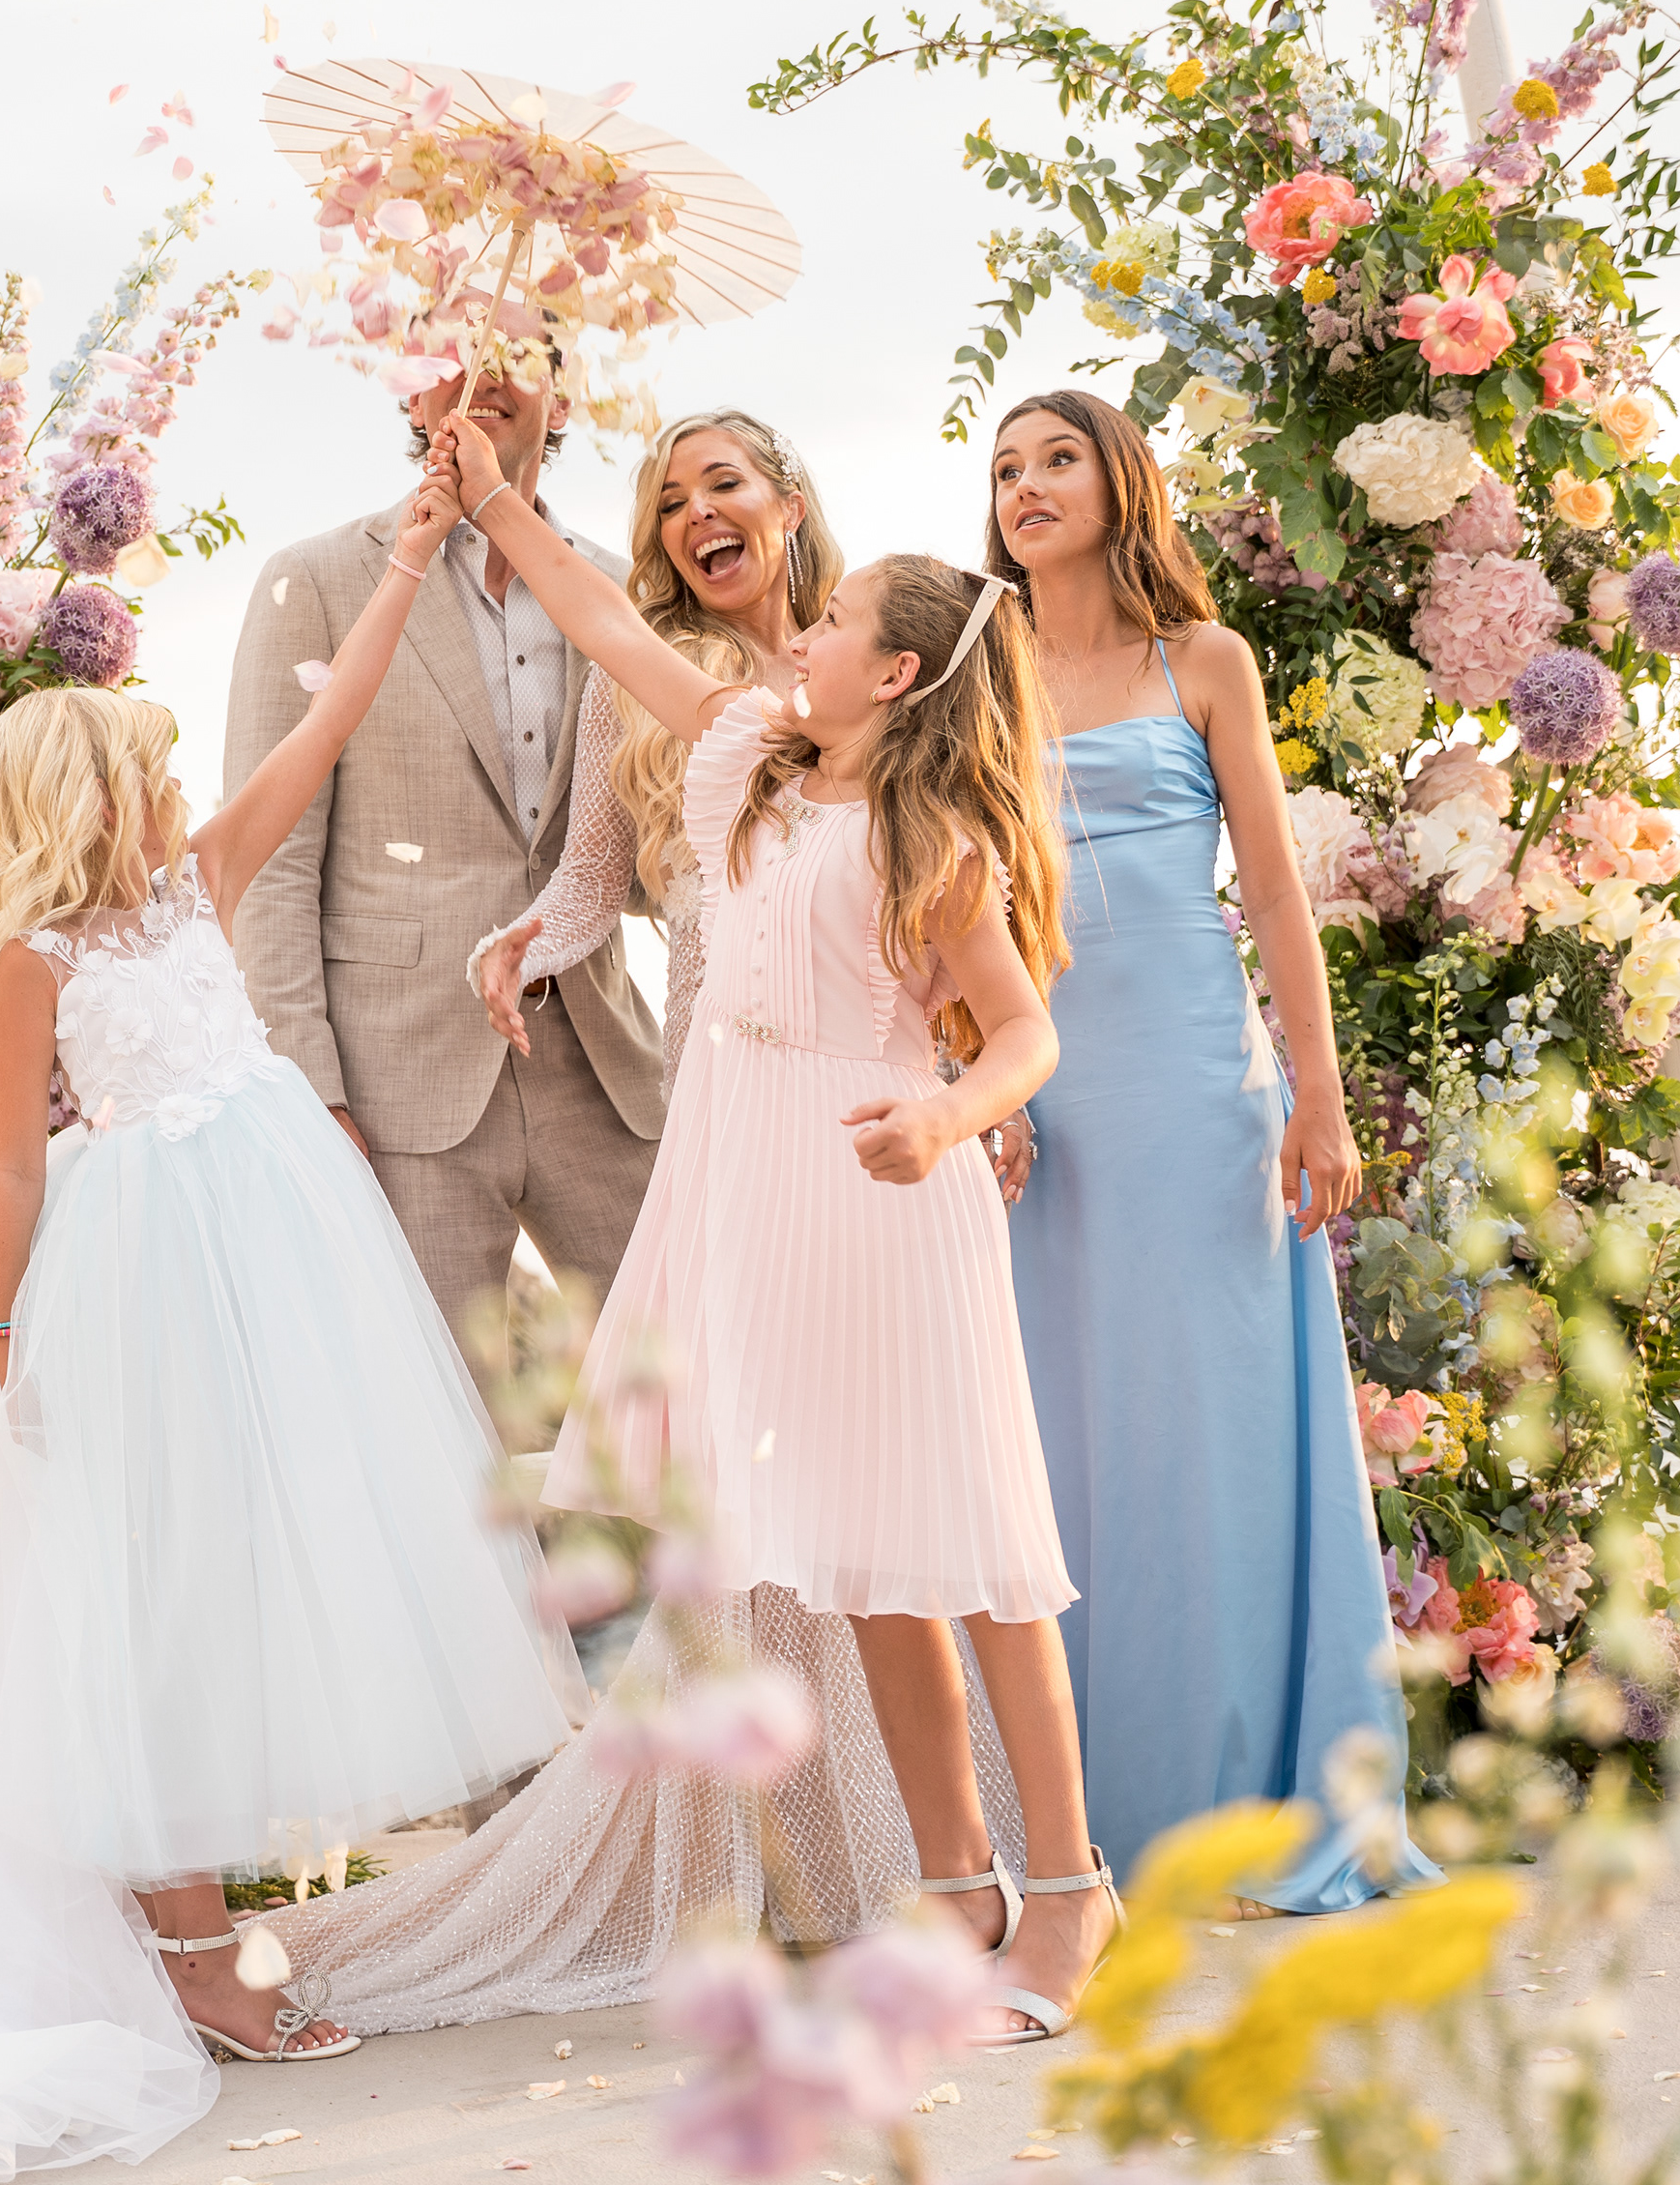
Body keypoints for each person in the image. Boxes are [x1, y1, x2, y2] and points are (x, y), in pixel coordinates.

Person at [0, 465, 587, 2184]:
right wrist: (3, 1335)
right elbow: (13, 1164)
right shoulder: (36, 959)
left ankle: (213, 1932)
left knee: (288, 1551)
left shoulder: (204, 881)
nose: (183, 787)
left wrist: (406, 559)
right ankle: (198, 1954)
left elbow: (327, 727)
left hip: (278, 1244)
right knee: (159, 1582)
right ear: (92, 800)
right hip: (139, 1268)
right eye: (151, 770)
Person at [421, 412, 1120, 2046]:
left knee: (979, 1564)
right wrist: (496, 502)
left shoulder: (935, 844)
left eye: (836, 624)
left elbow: (1024, 1034)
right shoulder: (744, 762)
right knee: (865, 1571)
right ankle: (953, 1889)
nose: (801, 639)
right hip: (747, 1193)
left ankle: (1068, 1891)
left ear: (893, 676)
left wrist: (948, 1115)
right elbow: (607, 624)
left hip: (885, 1205)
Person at [983, 388, 1437, 1913]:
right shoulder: (981, 673)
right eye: (1006, 467)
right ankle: (1087, 1818)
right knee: (1066, 1438)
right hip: (1044, 1101)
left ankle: (1244, 1797)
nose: (1027, 485)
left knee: (1216, 1432)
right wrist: (979, 1083)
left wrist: (1319, 1095)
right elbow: (950, 893)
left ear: (1122, 483)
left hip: (1194, 1084)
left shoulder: (1206, 660)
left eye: (1058, 459)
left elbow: (1278, 895)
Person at [224, 347, 664, 1337]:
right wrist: (309, 1091)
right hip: (396, 1086)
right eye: (450, 350)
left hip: (605, 1069)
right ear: (410, 389)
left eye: (517, 351)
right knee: (439, 1412)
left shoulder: (625, 589)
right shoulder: (315, 580)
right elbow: (270, 864)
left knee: (682, 1379)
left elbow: (654, 847)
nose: (483, 373)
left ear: (563, 395)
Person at [468, 409, 843, 1095]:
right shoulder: (629, 686)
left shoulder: (861, 662)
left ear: (790, 509)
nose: (697, 511)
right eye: (671, 505)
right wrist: (519, 949)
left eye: (723, 484)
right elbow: (591, 878)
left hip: (871, 1051)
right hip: (724, 1071)